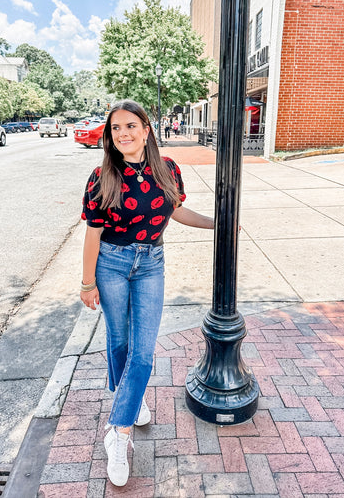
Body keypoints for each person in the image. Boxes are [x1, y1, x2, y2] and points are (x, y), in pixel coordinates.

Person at [80, 100, 214, 487]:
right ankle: (133, 403)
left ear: (146, 129)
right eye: (116, 128)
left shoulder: (167, 168)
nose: (123, 133)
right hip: (112, 264)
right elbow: (92, 231)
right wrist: (87, 282)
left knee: (143, 349)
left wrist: (216, 224)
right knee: (119, 342)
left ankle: (118, 433)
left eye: (131, 125)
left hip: (151, 263)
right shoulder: (102, 175)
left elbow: (175, 212)